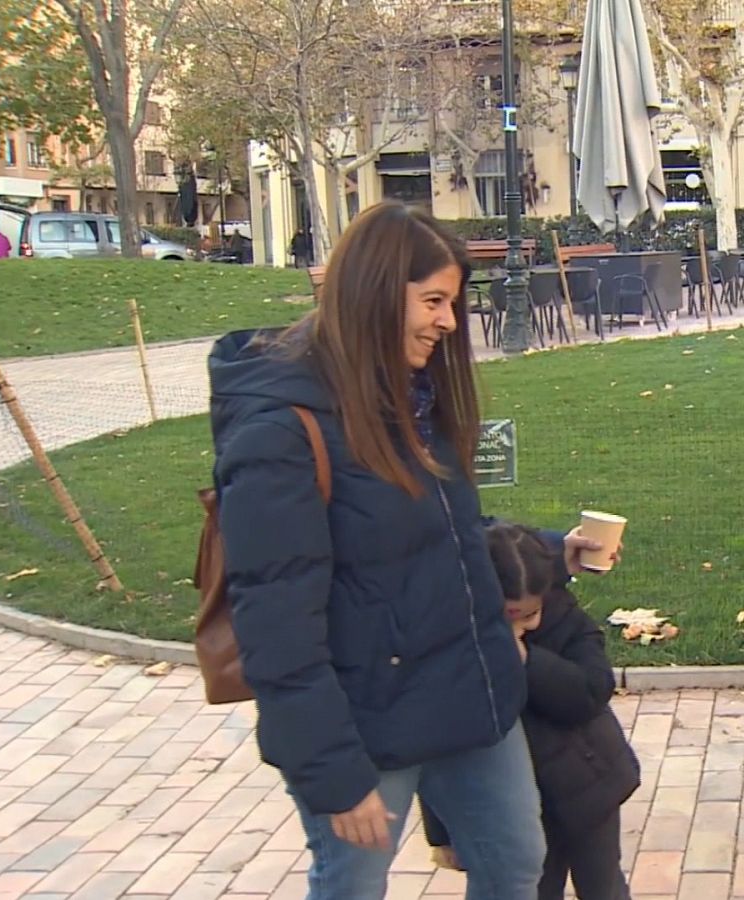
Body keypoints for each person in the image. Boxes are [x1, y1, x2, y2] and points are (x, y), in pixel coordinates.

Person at [208, 200, 611, 898]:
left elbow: (445, 531)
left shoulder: (414, 401)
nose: (449, 322)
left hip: (468, 694)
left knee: (516, 862)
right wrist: (332, 773)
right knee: (352, 885)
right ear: (373, 291)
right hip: (367, 719)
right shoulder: (280, 433)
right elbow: (276, 624)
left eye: (452, 302)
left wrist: (551, 551)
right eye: (433, 300)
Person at [422, 522, 639, 900]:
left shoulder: (565, 620)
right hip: (518, 808)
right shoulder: (457, 650)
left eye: (530, 615)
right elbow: (439, 746)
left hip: (587, 784)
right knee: (533, 886)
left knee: (603, 884)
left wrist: (528, 661)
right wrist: (442, 832)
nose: (520, 626)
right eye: (509, 616)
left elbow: (591, 691)